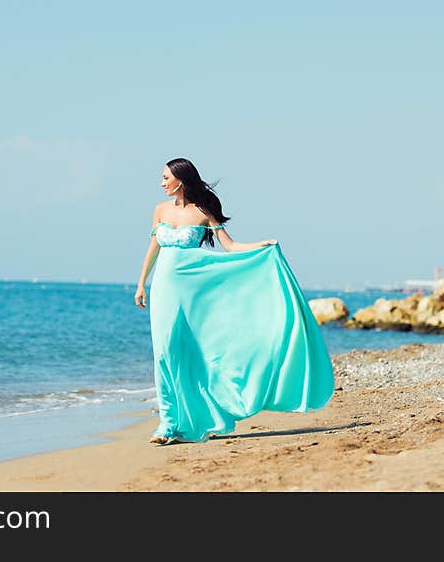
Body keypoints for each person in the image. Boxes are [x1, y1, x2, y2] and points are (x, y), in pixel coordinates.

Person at [134, 158, 336, 445]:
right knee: (165, 353)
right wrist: (142, 284)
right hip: (164, 289)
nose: (162, 182)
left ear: (181, 179)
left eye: (166, 177)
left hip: (195, 292)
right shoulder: (160, 210)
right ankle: (167, 423)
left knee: (192, 352)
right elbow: (153, 248)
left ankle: (195, 418)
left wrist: (261, 246)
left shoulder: (204, 211)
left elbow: (230, 246)